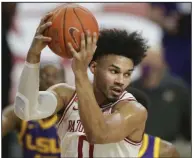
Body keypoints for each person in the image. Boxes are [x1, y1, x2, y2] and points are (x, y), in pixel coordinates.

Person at [14, 12, 149, 157]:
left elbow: (98, 134)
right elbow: (25, 110)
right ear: (94, 68)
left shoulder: (134, 110)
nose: (121, 80)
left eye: (127, 74)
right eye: (114, 71)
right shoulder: (66, 96)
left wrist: (80, 73)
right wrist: (33, 56)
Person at [3, 64, 64, 158]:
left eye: (55, 76)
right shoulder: (20, 111)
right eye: (45, 76)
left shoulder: (74, 114)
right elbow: (4, 121)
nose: (50, 81)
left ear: (65, 82)